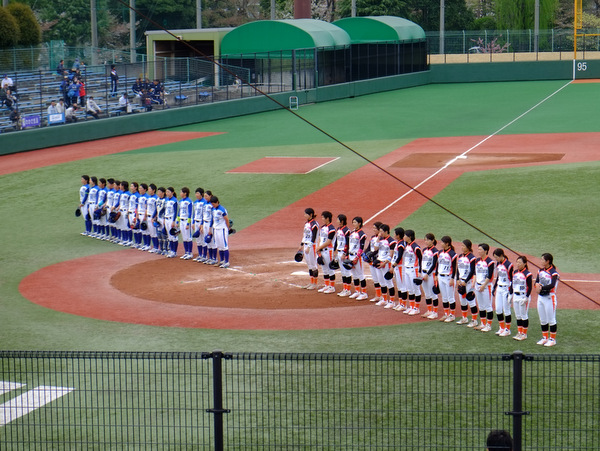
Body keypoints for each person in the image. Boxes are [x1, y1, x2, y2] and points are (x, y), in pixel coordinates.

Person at [535, 253, 560, 347]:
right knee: (543, 319)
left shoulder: (554, 273)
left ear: (548, 261)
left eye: (542, 260)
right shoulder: (540, 271)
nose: (541, 261)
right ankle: (545, 337)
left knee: (551, 319)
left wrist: (542, 288)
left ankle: (552, 339)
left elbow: (552, 285)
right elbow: (537, 281)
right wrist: (536, 286)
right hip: (541, 297)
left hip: (550, 297)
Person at [474, 243, 496, 332]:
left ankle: (488, 325)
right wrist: (474, 283)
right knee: (481, 306)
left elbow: (489, 276)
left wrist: (483, 285)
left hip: (486, 287)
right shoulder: (477, 260)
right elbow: (475, 273)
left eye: (480, 250)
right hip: (478, 285)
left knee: (488, 306)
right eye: (478, 249)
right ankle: (483, 323)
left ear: (486, 251)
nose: (478, 251)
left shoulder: (490, 262)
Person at [492, 248, 514, 337]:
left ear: (501, 256)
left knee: (506, 310)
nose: (495, 259)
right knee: (498, 309)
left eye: (496, 257)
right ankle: (501, 328)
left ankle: (507, 329)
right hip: (499, 288)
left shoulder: (509, 265)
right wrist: (494, 287)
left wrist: (510, 292)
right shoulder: (499, 264)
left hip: (506, 289)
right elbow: (498, 276)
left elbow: (512, 279)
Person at [374, 224, 397, 309]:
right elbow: (375, 248)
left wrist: (384, 263)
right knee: (381, 282)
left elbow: (391, 255)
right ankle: (384, 299)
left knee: (389, 282)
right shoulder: (381, 240)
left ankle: (392, 301)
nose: (380, 233)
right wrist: (378, 238)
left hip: (386, 264)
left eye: (381, 231)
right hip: (379, 262)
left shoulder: (392, 242)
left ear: (386, 231)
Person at [437, 236, 457, 322]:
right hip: (440, 276)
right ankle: (446, 314)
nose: (440, 244)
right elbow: (438, 264)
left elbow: (454, 267)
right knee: (444, 297)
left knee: (451, 297)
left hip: (448, 277)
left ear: (447, 244)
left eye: (442, 242)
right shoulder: (440, 252)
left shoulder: (453, 254)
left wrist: (452, 278)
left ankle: (452, 315)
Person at [402, 229, 422, 316]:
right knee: (409, 289)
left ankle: (416, 308)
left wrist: (420, 271)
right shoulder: (407, 246)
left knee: (416, 289)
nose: (404, 237)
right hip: (407, 269)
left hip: (414, 270)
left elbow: (421, 259)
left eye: (405, 235)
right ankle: (411, 306)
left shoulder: (416, 247)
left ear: (409, 237)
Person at [512, 255, 533, 341]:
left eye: (520, 262)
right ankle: (519, 332)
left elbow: (530, 287)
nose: (518, 264)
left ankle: (524, 333)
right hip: (515, 295)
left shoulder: (527, 274)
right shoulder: (515, 272)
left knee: (523, 315)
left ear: (524, 264)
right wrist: (511, 294)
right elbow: (513, 284)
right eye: (517, 262)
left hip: (523, 296)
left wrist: (526, 297)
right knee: (518, 316)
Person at [347, 216, 368, 300]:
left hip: (357, 256)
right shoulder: (352, 233)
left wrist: (357, 257)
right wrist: (347, 254)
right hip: (351, 255)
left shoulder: (362, 234)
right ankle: (357, 291)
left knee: (360, 275)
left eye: (355, 222)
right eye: (353, 222)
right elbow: (349, 245)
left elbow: (361, 247)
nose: (353, 224)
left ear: (359, 223)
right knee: (354, 275)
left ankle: (364, 293)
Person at [316, 211, 336, 293]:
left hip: (328, 251)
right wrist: (319, 248)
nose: (322, 219)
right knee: (324, 269)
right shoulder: (323, 227)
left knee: (330, 269)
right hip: (322, 250)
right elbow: (320, 238)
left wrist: (319, 248)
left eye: (323, 217)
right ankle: (326, 285)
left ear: (327, 218)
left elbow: (328, 242)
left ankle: (332, 287)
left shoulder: (331, 229)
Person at [421, 233, 440, 319]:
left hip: (431, 274)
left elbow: (434, 264)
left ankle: (435, 312)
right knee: (427, 293)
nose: (426, 241)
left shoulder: (435, 251)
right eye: (425, 240)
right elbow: (422, 261)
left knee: (433, 294)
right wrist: (420, 272)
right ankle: (429, 311)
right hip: (424, 273)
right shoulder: (424, 250)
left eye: (428, 240)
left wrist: (427, 274)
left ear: (432, 241)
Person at [299, 208, 319, 290]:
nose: (304, 215)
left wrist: (309, 246)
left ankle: (315, 283)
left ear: (310, 214)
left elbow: (313, 237)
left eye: (306, 214)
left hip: (312, 246)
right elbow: (305, 235)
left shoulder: (314, 224)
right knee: (309, 265)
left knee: (313, 265)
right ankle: (311, 282)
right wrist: (301, 244)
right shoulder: (306, 223)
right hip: (306, 245)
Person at [209, 195, 230, 268]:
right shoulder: (213, 209)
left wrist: (228, 228)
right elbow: (213, 219)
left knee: (224, 246)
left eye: (214, 204)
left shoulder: (222, 209)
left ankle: (226, 262)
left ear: (217, 202)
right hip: (216, 229)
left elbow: (227, 219)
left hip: (222, 229)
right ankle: (222, 261)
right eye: (212, 204)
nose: (213, 205)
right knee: (219, 245)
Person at [334, 214, 352, 297]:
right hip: (339, 252)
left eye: (338, 219)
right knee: (343, 272)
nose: (337, 221)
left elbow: (348, 243)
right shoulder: (339, 229)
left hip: (344, 253)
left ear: (342, 220)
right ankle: (345, 289)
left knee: (346, 272)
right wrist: (335, 250)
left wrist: (345, 253)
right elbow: (336, 241)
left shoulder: (346, 230)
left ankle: (348, 290)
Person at [366, 222, 383, 303]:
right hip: (372, 261)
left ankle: (383, 296)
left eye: (375, 228)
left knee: (380, 279)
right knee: (375, 279)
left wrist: (371, 255)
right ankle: (378, 295)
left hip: (377, 261)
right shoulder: (373, 237)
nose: (373, 230)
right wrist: (365, 254)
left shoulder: (382, 239)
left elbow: (379, 250)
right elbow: (369, 247)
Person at [391, 227, 407, 311]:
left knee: (402, 286)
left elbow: (399, 256)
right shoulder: (398, 243)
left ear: (398, 235)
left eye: (395, 233)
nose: (393, 235)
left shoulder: (401, 244)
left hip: (400, 267)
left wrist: (393, 266)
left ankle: (403, 304)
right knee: (399, 286)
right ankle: (400, 303)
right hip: (398, 267)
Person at [178, 187, 194, 260]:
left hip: (186, 221)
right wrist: (177, 221)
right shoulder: (180, 201)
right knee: (184, 237)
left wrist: (188, 223)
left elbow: (190, 213)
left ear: (185, 193)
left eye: (181, 192)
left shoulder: (189, 201)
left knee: (188, 237)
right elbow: (179, 212)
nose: (180, 193)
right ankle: (186, 252)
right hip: (181, 221)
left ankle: (190, 253)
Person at [164, 187, 179, 258]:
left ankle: (174, 251)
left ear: (172, 192)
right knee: (169, 236)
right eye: (166, 192)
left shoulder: (174, 200)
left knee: (173, 236)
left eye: (168, 192)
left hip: (171, 219)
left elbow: (176, 211)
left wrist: (173, 221)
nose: (167, 193)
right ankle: (171, 250)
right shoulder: (166, 200)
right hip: (166, 219)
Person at [192, 187, 206, 261]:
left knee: (203, 239)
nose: (196, 195)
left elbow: (205, 214)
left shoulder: (204, 202)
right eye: (196, 193)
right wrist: (193, 223)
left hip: (201, 222)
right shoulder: (195, 202)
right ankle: (200, 255)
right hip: (196, 221)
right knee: (198, 240)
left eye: (198, 193)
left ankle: (204, 256)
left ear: (202, 194)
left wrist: (202, 224)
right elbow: (194, 213)